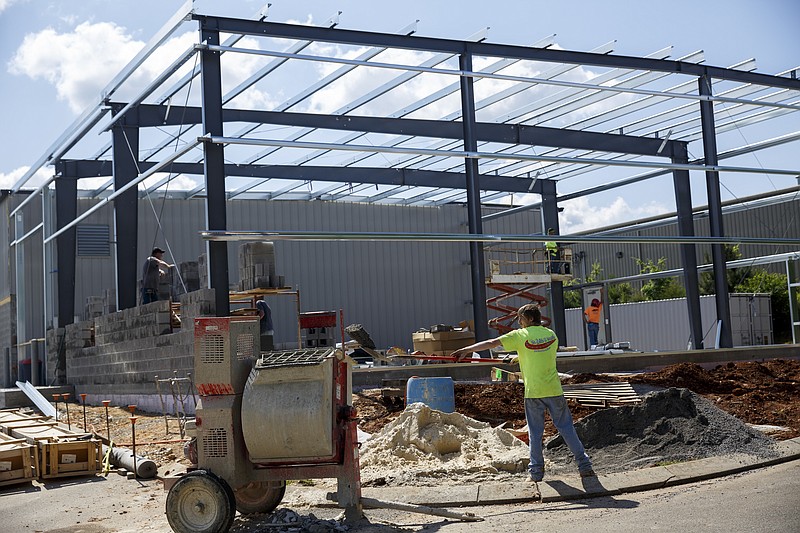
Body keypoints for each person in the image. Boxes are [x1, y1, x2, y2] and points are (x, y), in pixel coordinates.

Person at [451, 304, 594, 482]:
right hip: (554, 390)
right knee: (566, 428)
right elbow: (541, 354)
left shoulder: (519, 336)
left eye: (521, 318)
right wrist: (519, 357)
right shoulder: (551, 335)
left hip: (534, 392)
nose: (519, 322)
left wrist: (466, 350)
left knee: (535, 433)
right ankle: (584, 465)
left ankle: (536, 473)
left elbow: (491, 343)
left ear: (530, 319)